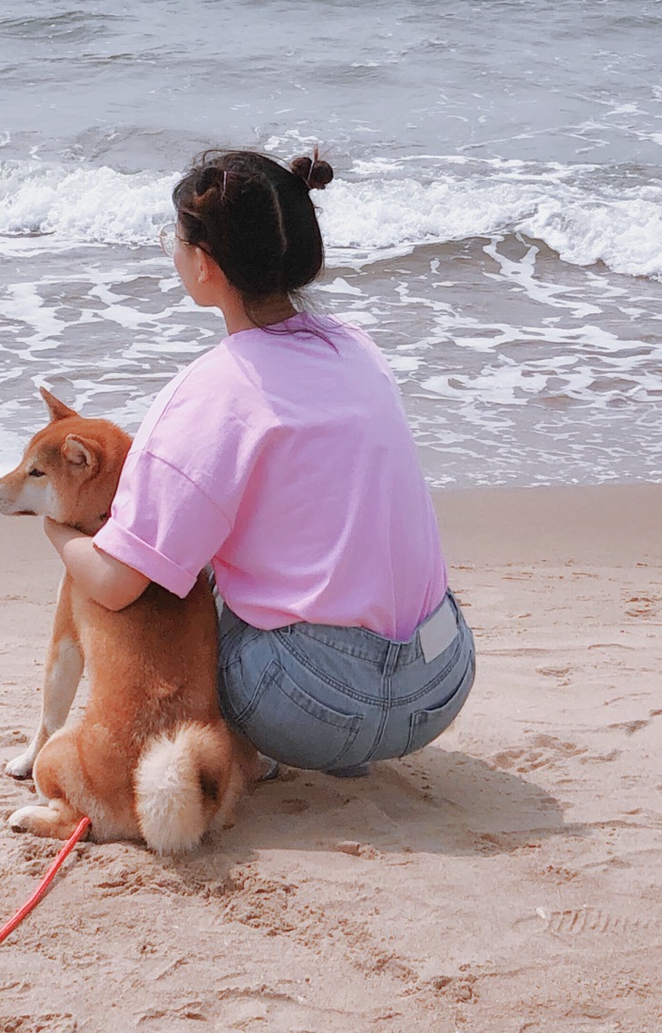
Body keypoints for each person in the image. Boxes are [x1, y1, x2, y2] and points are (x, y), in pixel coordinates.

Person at [43, 148, 474, 778]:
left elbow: (114, 583)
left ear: (206, 264)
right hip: (441, 679)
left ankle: (260, 750)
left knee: (159, 586)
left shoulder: (210, 392)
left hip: (321, 706)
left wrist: (55, 527)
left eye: (177, 237)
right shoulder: (359, 348)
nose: (173, 250)